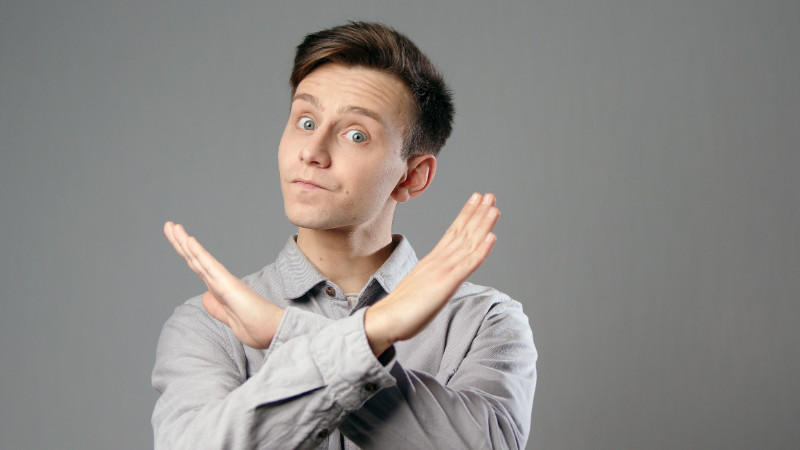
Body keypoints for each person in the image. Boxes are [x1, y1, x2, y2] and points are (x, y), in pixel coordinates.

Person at [152, 21, 537, 449]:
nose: (312, 153)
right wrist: (378, 330)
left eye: (356, 135)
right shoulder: (210, 322)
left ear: (412, 176)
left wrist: (284, 332)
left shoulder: (483, 321)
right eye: (305, 121)